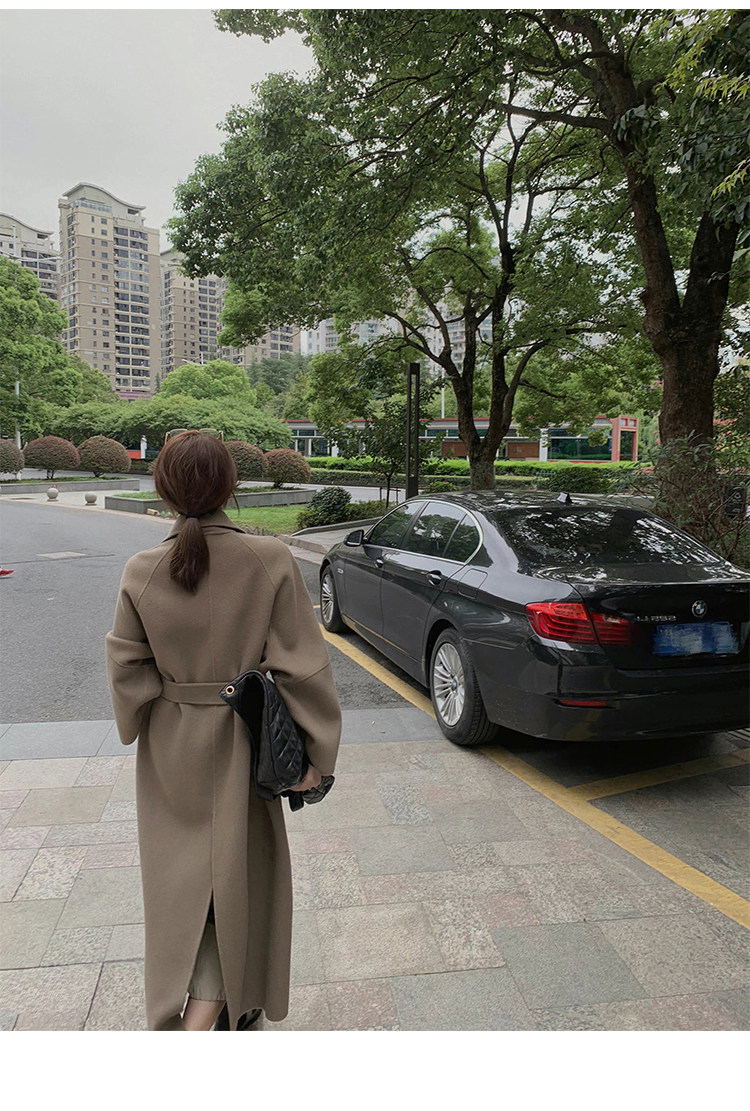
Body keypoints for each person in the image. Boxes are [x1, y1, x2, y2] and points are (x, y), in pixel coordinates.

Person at [105, 431, 341, 1031]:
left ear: (163, 489)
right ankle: (209, 1017)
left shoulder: (142, 569)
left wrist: (160, 705)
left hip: (173, 745)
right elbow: (302, 667)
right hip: (243, 739)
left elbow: (127, 666)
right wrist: (314, 755)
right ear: (231, 486)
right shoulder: (269, 559)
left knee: (182, 883)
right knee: (237, 878)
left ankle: (211, 1006)